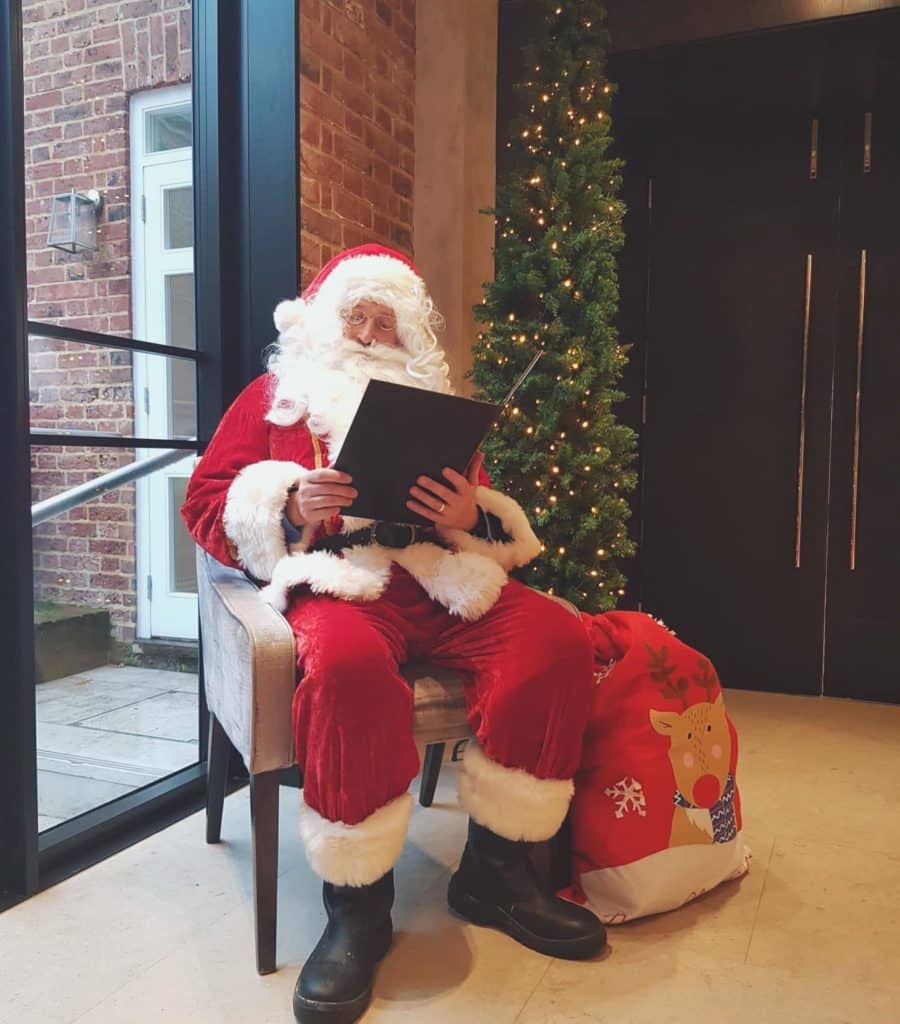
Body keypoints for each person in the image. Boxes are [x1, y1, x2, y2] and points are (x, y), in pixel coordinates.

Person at [181, 244, 605, 1024]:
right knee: (343, 668)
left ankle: (497, 872)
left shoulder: (430, 408)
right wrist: (287, 509)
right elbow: (205, 502)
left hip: (436, 575)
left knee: (552, 638)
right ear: (322, 322)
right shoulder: (272, 400)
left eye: (387, 321)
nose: (372, 334)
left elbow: (472, 509)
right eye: (358, 317)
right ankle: (358, 907)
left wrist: (464, 515)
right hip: (342, 583)